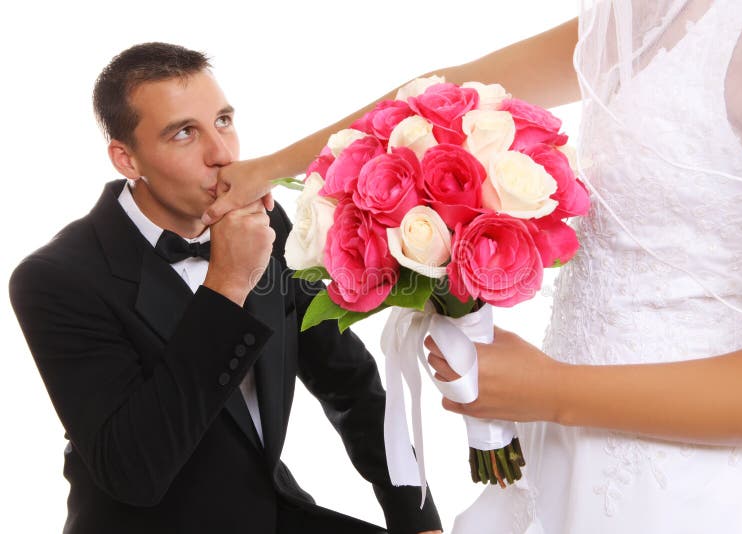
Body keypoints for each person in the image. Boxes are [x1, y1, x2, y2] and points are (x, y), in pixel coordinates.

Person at [197, 0, 742, 532]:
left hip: (687, 483)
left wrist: (553, 390)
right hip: (556, 452)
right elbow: (427, 104)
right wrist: (268, 168)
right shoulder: (629, 13)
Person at [8, 42, 442, 534]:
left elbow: (352, 387)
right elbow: (134, 473)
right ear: (127, 160)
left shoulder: (266, 223)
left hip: (272, 512)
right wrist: (228, 282)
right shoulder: (54, 279)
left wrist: (417, 519)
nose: (222, 154)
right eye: (184, 133)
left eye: (223, 121)